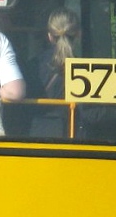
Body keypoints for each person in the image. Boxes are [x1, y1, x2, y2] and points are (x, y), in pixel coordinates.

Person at [26, 8, 80, 137]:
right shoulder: (84, 69)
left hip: (38, 132)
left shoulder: (33, 65)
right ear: (78, 34)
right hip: (74, 134)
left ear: (50, 36)